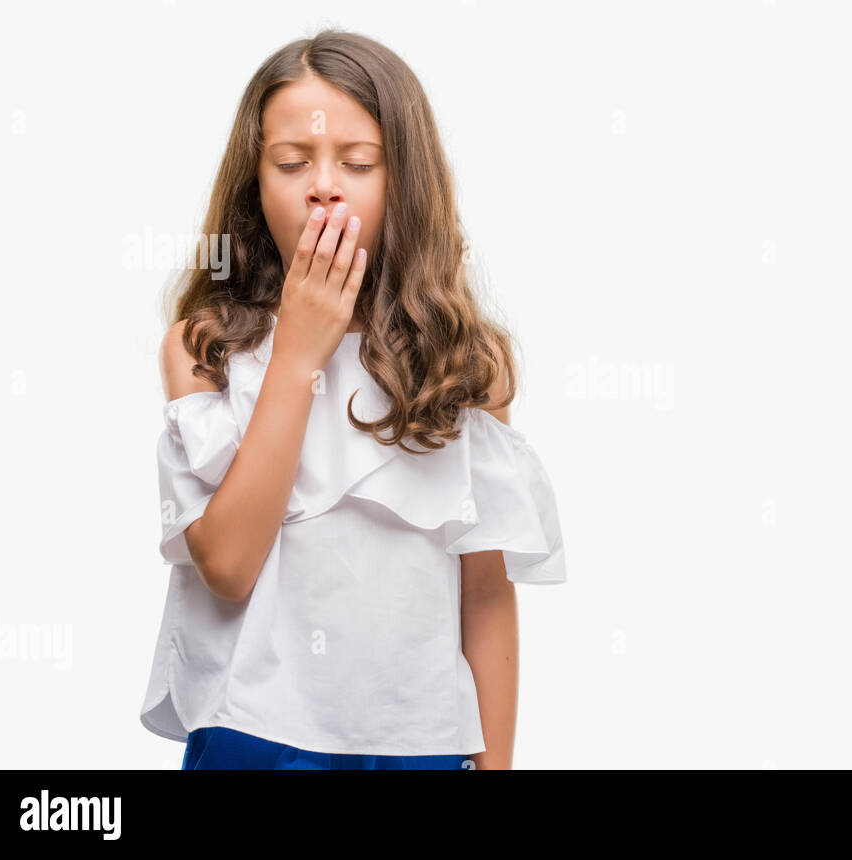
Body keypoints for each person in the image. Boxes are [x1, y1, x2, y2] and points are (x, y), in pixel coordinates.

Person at [140, 30, 566, 771]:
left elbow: (485, 598)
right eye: (292, 162)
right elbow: (229, 565)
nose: (324, 185)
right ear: (256, 184)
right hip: (253, 740)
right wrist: (300, 351)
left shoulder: (468, 365)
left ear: (403, 179)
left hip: (421, 747)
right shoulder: (205, 348)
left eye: (359, 163)